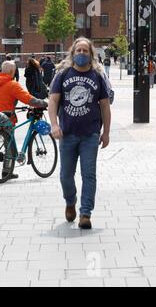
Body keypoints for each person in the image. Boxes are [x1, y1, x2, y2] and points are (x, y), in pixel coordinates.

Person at [48, 37, 111, 230]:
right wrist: (54, 125)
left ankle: (85, 213)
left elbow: (105, 106)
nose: (82, 54)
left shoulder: (97, 76)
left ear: (91, 55)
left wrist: (106, 132)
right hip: (67, 134)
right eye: (78, 51)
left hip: (90, 134)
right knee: (66, 176)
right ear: (72, 53)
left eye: (85, 51)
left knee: (88, 175)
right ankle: (70, 200)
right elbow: (53, 101)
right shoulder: (63, 74)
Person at [0, 61, 48, 182]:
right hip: (5, 118)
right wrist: (43, 103)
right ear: (12, 72)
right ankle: (5, 171)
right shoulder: (12, 84)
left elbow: (3, 97)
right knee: (9, 147)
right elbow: (28, 99)